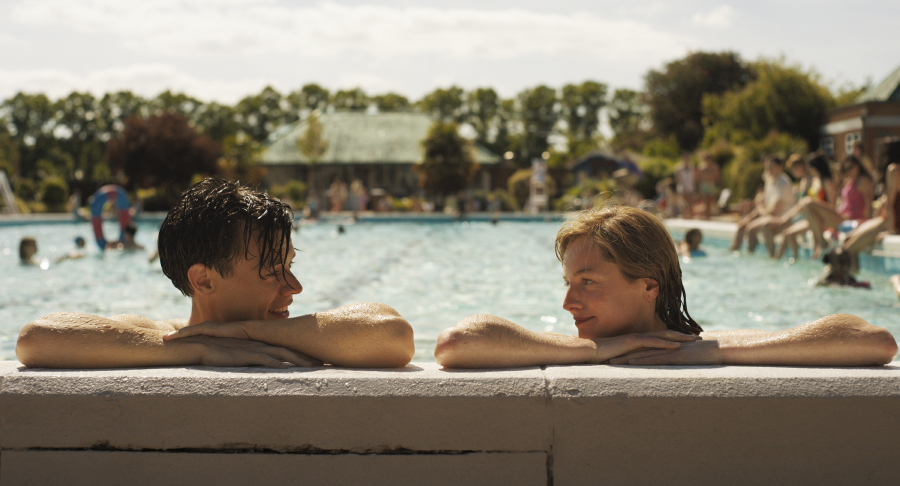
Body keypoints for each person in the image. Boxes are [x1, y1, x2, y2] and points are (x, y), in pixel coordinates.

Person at [16, 178, 415, 369]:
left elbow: (395, 335)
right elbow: (37, 338)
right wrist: (198, 349)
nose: (295, 288)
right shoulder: (159, 335)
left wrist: (244, 332)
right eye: (272, 270)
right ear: (204, 280)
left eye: (289, 266)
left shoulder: (298, 337)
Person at [434, 205, 896, 368]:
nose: (567, 302)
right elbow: (456, 343)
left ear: (648, 287)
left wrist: (712, 353)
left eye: (587, 282)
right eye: (569, 283)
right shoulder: (569, 346)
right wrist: (604, 350)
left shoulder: (693, 345)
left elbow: (873, 340)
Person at [795, 155, 874, 258]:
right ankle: (818, 247)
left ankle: (822, 245)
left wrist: (869, 225)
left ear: (858, 166)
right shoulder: (850, 181)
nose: (849, 171)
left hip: (850, 219)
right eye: (846, 169)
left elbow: (869, 205)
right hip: (842, 217)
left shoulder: (863, 181)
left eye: (851, 167)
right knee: (809, 211)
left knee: (808, 203)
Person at [729, 155, 795, 255]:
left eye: (771, 167)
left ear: (779, 167)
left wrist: (759, 208)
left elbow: (774, 211)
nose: (768, 170)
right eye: (767, 167)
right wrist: (753, 212)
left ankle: (758, 254)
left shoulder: (783, 183)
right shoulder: (771, 180)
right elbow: (762, 203)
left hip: (783, 218)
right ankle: (734, 250)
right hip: (770, 215)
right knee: (742, 224)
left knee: (751, 228)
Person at [696, 154, 721, 220]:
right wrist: (698, 187)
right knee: (705, 201)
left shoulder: (714, 167)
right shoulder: (701, 167)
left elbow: (717, 176)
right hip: (704, 185)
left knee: (710, 202)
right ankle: (706, 215)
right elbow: (698, 178)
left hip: (711, 184)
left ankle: (708, 215)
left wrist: (718, 185)